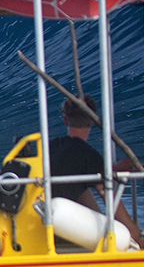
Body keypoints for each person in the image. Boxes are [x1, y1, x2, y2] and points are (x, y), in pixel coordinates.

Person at [49, 94, 141, 245]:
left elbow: (74, 166)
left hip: (43, 222)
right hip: (64, 227)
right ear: (92, 121)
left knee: (81, 187)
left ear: (66, 121)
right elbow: (112, 203)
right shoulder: (88, 155)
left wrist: (114, 169)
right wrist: (135, 234)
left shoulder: (52, 146)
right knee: (128, 233)